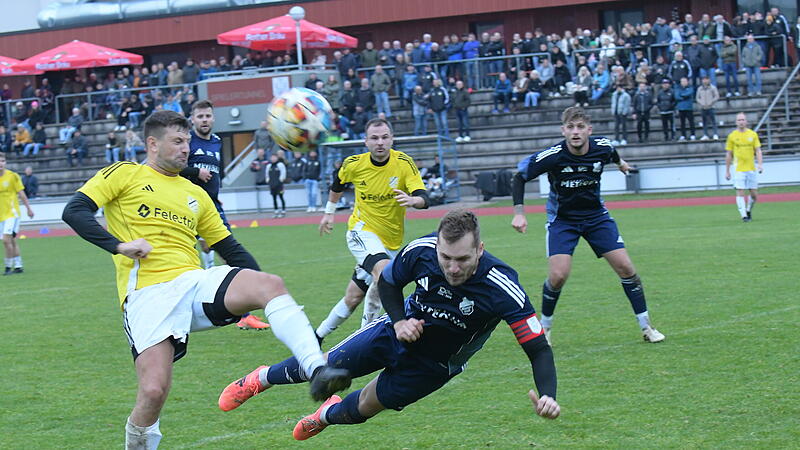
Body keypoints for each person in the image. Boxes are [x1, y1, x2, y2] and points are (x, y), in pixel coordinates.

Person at [60, 110, 351, 449]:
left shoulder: (195, 193)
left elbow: (229, 247)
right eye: (177, 141)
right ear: (152, 144)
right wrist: (120, 246)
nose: (186, 148)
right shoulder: (125, 173)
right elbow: (75, 210)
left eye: (187, 141)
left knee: (270, 284)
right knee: (153, 391)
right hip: (147, 294)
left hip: (194, 283)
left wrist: (257, 288)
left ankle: (317, 369)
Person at [218, 209, 560, 441]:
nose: (452, 268)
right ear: (437, 246)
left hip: (435, 364)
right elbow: (389, 282)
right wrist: (399, 322)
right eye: (445, 258)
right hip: (393, 333)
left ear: (480, 250)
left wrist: (547, 395)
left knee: (365, 407)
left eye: (462, 259)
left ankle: (325, 416)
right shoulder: (422, 251)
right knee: (325, 364)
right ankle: (260, 378)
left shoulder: (502, 287)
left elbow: (538, 349)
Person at [510, 106, 665, 344]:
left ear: (589, 130)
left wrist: (622, 164)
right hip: (563, 220)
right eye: (570, 127)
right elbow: (519, 177)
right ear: (563, 130)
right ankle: (545, 328)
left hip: (596, 217)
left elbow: (612, 153)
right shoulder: (553, 156)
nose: (575, 132)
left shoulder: (602, 147)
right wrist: (519, 214)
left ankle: (647, 327)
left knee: (626, 268)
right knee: (558, 276)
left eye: (580, 127)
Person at [314, 118, 429, 342]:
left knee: (353, 297)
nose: (380, 142)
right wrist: (329, 213)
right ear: (366, 142)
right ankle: (364, 338)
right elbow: (337, 184)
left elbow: (424, 197)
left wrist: (413, 201)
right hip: (361, 231)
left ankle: (317, 336)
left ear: (392, 139)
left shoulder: (404, 163)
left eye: (385, 137)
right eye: (374, 138)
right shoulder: (354, 164)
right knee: (383, 273)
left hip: (390, 242)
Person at [180, 100, 270, 330]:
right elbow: (174, 167)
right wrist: (195, 171)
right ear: (193, 119)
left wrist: (215, 195)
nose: (204, 120)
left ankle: (244, 314)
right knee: (184, 255)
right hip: (187, 205)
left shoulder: (217, 142)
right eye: (200, 116)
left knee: (228, 253)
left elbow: (215, 174)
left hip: (212, 207)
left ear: (213, 118)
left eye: (208, 116)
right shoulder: (187, 142)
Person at [725, 112, 763, 222]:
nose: (741, 122)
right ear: (736, 122)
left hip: (751, 168)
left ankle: (748, 210)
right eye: (739, 120)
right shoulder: (732, 136)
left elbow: (758, 150)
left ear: (746, 121)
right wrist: (727, 170)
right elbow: (729, 154)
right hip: (738, 168)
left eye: (743, 120)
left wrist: (760, 164)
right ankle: (744, 216)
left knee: (754, 194)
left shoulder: (752, 134)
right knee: (740, 191)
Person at [0, 152, 35, 275]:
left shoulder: (12, 176)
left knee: (6, 241)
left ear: (5, 162)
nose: (0, 163)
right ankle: (19, 266)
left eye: (2, 161)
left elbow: (21, 194)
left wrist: (28, 209)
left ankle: (8, 267)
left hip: (12, 214)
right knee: (12, 241)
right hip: (1, 215)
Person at [696, 76, 720, 140]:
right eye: (703, 80)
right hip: (703, 107)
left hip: (711, 107)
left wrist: (711, 102)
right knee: (704, 122)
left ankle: (715, 134)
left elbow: (717, 96)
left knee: (713, 121)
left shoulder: (713, 88)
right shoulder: (699, 89)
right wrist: (701, 103)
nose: (705, 81)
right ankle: (705, 134)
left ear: (709, 80)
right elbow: (697, 98)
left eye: (706, 79)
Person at [267, 153, 287, 217]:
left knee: (281, 197)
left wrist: (281, 180)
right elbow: (267, 174)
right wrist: (268, 180)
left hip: (279, 185)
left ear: (277, 158)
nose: (273, 159)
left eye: (274, 157)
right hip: (272, 185)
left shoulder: (280, 165)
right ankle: (276, 211)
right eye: (272, 157)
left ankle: (283, 210)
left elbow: (283, 172)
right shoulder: (269, 166)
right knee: (274, 198)